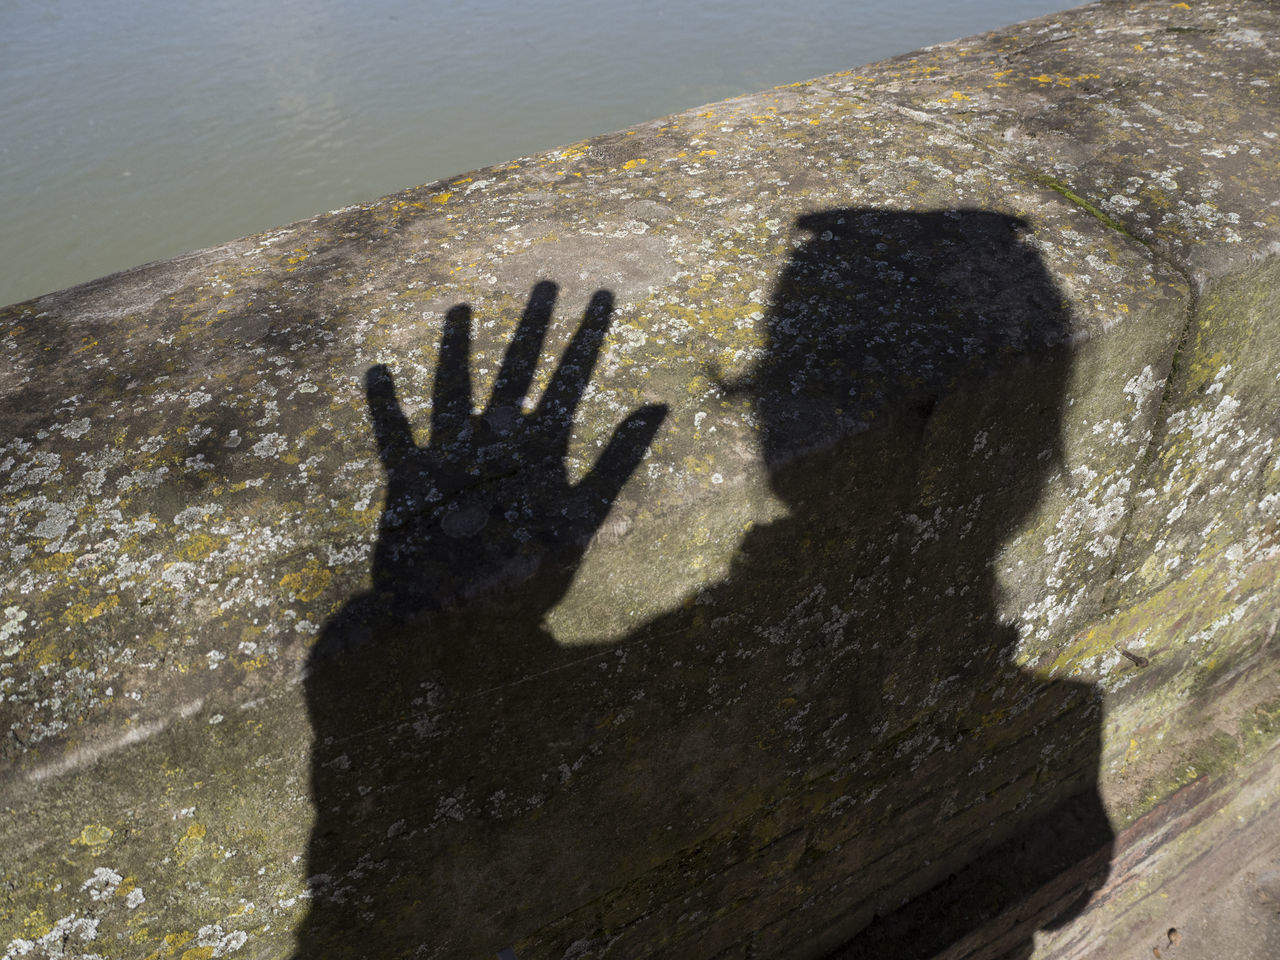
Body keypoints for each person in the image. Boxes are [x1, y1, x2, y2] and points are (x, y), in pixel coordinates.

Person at [295, 210, 1112, 959]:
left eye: (787, 383)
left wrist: (435, 624)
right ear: (1035, 462)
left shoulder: (684, 674)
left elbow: (376, 898)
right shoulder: (1066, 732)